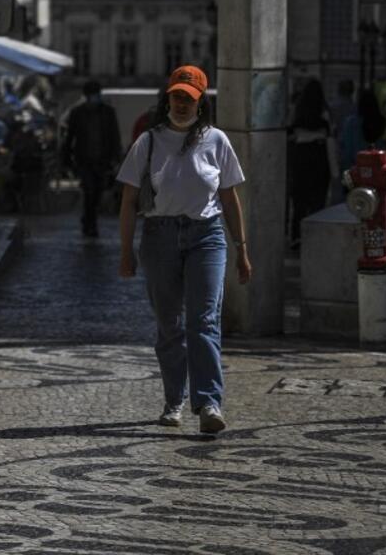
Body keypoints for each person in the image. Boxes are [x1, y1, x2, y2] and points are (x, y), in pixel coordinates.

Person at [117, 65, 251, 436]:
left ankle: (208, 402)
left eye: (188, 98)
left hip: (206, 236)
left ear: (200, 102)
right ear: (167, 98)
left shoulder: (217, 141)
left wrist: (242, 248)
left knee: (204, 320)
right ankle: (173, 399)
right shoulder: (148, 141)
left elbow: (229, 196)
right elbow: (128, 200)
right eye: (176, 96)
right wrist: (125, 251)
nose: (180, 104)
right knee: (169, 324)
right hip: (159, 237)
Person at [62, 81, 122, 237]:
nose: (95, 97)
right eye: (92, 95)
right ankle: (91, 223)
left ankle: (88, 219)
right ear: (87, 96)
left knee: (98, 192)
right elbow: (70, 136)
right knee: (89, 191)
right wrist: (66, 158)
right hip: (84, 159)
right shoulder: (77, 113)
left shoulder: (108, 112)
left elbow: (114, 136)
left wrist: (117, 157)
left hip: (102, 160)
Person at [287, 80, 332, 248]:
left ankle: (296, 235)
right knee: (317, 198)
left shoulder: (298, 110)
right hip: (319, 157)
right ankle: (314, 233)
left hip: (301, 156)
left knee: (299, 198)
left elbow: (290, 131)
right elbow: (330, 132)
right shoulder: (324, 112)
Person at [338, 87, 386, 177]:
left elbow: (348, 149)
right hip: (375, 168)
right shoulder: (380, 121)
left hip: (355, 169)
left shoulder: (351, 123)